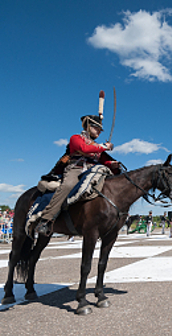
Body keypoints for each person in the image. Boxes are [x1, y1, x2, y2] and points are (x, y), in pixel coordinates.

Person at [35, 91, 120, 236]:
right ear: (87, 126)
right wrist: (103, 146)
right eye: (96, 128)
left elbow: (103, 158)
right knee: (67, 186)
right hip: (76, 169)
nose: (98, 132)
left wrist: (112, 163)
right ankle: (46, 220)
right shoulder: (76, 138)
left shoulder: (96, 146)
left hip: (93, 170)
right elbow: (84, 149)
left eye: (100, 130)